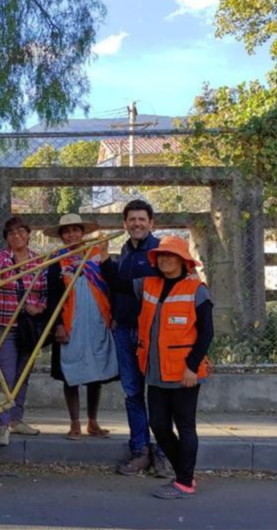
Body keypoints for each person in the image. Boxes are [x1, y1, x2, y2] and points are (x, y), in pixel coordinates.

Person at [133, 236, 214, 499]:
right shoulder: (149, 285)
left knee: (185, 426)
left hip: (184, 374)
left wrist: (192, 367)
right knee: (158, 425)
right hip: (155, 372)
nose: (166, 259)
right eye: (162, 255)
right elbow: (118, 284)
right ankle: (185, 473)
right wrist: (101, 258)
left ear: (183, 261)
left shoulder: (196, 290)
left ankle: (184, 481)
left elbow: (206, 334)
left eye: (171, 255)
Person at [101, 199, 173, 477]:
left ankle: (164, 453)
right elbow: (118, 289)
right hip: (124, 331)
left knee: (158, 393)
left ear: (151, 223)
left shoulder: (160, 251)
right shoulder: (125, 252)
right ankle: (140, 450)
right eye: (132, 219)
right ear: (125, 224)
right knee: (132, 393)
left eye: (142, 219)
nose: (137, 224)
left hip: (152, 333)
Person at [45, 214, 118, 441]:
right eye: (66, 232)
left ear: (82, 232)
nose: (71, 235)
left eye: (75, 230)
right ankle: (74, 423)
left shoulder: (97, 255)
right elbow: (53, 296)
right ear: (61, 236)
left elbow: (112, 284)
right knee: (71, 373)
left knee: (95, 374)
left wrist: (114, 315)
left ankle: (93, 422)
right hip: (70, 323)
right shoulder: (57, 260)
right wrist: (57, 324)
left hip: (97, 321)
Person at [0, 216, 47, 447]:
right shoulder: (1, 258)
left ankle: (16, 419)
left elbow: (44, 292)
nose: (17, 236)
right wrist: (6, 274)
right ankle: (2, 425)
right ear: (7, 238)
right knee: (6, 377)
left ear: (28, 234)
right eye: (11, 233)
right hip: (5, 324)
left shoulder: (38, 261)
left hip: (28, 327)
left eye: (21, 231)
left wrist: (39, 306)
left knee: (23, 375)